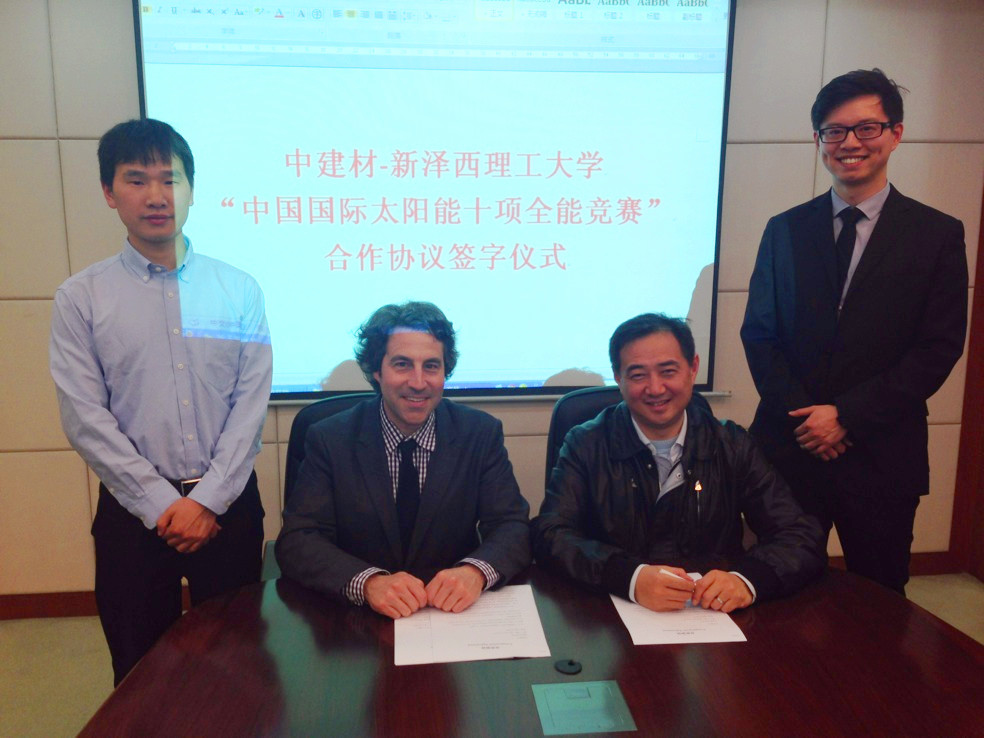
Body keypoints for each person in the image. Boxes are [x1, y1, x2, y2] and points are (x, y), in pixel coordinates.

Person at [50, 119, 272, 684]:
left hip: (228, 510)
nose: (156, 195)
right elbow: (85, 417)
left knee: (240, 666)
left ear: (192, 190)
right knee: (138, 671)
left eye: (170, 179)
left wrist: (209, 500)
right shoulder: (81, 297)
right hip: (132, 514)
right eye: (136, 180)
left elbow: (250, 405)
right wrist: (159, 503)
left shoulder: (239, 289)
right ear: (109, 193)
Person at [740, 69, 968, 595]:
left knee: (880, 600)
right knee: (777, 595)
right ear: (817, 139)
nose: (850, 143)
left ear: (896, 133)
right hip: (790, 450)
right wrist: (808, 420)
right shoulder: (784, 229)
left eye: (867, 128)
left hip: (882, 453)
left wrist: (846, 416)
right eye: (834, 131)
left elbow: (938, 348)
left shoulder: (936, 234)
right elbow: (759, 334)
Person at [532, 314, 825, 613]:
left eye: (668, 371)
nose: (655, 388)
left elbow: (800, 534)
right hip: (611, 612)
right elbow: (550, 534)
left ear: (693, 368)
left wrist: (746, 580)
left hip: (711, 614)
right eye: (638, 375)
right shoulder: (586, 444)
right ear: (618, 378)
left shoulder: (731, 443)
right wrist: (629, 577)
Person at [276, 301, 531, 619]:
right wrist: (367, 583)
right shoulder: (330, 439)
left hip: (449, 614)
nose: (419, 382)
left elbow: (512, 526)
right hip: (357, 620)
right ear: (376, 370)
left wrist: (476, 571)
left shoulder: (479, 433)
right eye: (402, 365)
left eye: (431, 366)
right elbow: (298, 539)